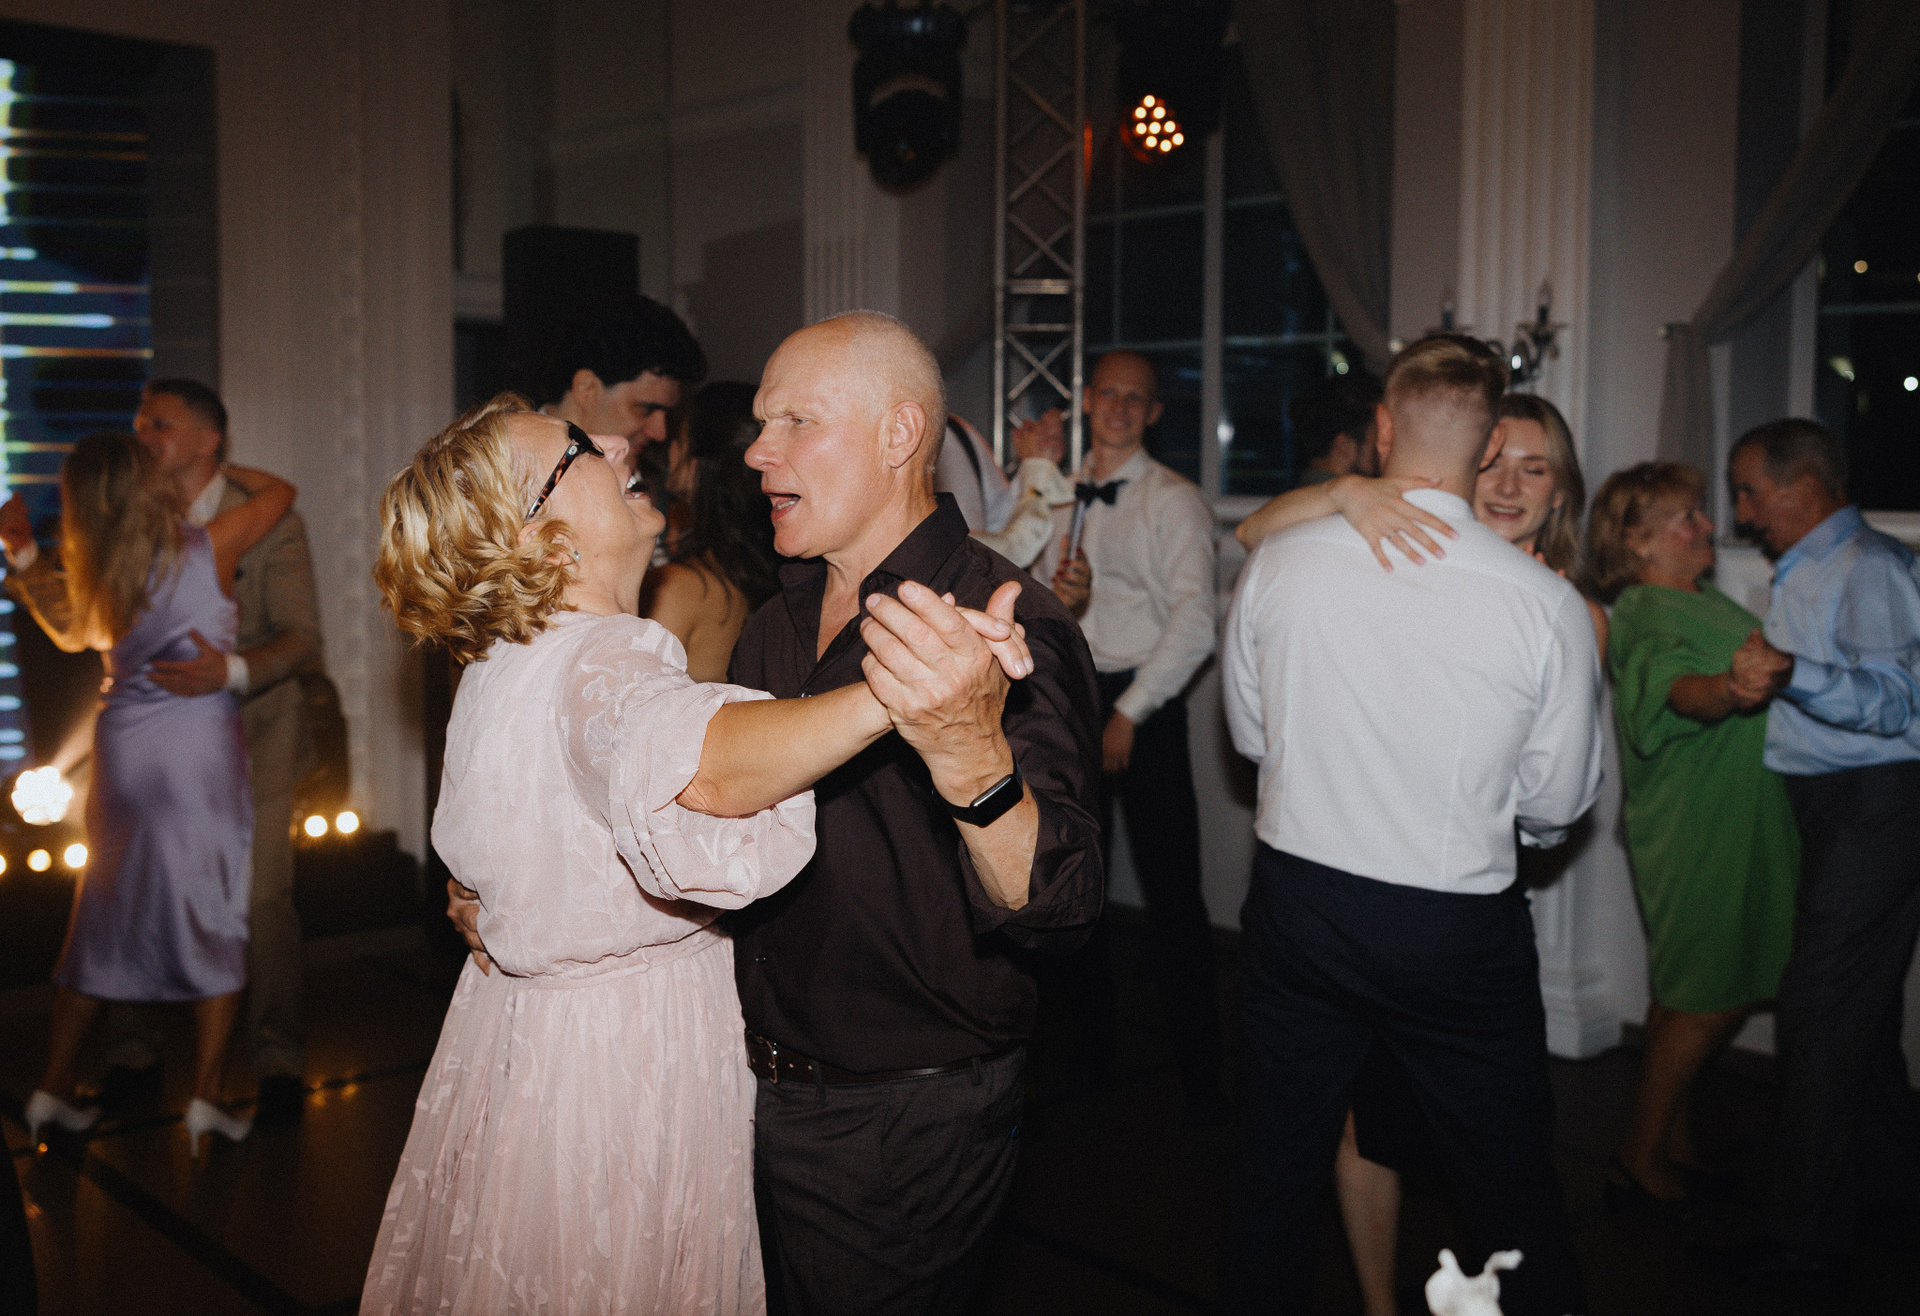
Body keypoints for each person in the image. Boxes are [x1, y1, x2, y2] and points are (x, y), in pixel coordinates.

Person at [364, 395, 1033, 1314]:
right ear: (546, 542)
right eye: (577, 448)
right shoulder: (602, 658)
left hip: (526, 1051)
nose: (614, 442)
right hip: (619, 1072)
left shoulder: (501, 661)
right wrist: (908, 688)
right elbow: (702, 770)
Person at [728, 312, 1104, 1313]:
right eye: (761, 423)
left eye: (796, 421)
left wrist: (971, 753)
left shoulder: (1006, 621)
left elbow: (1061, 906)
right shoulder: (774, 622)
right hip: (754, 1083)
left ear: (899, 435)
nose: (759, 450)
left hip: (904, 1116)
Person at [1221, 335, 1601, 1316]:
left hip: (1300, 905)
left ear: (1384, 428)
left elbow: (1253, 738)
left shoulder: (1280, 562)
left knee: (1273, 1165)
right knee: (1508, 1180)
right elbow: (1557, 805)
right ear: (1487, 445)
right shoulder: (1547, 605)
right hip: (1452, 926)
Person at [3, 432, 297, 1155]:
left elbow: (70, 634)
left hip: (123, 756)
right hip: (195, 751)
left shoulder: (98, 569)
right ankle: (207, 1096)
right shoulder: (205, 546)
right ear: (148, 484)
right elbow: (281, 494)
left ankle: (52, 1087)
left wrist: (23, 556)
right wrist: (221, 464)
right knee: (214, 906)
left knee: (101, 911)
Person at [1721, 419, 1920, 1285]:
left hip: (1877, 800)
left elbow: (1897, 701)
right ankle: (1891, 1192)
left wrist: (1792, 672)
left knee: (1817, 1011)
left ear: (1801, 487)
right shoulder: (1819, 565)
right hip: (1845, 802)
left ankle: (1802, 1239)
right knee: (1859, 1015)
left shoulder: (1867, 567)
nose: (1742, 512)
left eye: (1749, 492)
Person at [109, 378, 324, 1124]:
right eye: (141, 424)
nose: (144, 438)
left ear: (209, 440)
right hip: (155, 741)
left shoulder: (269, 518)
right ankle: (132, 1051)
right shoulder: (130, 516)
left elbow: (302, 637)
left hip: (256, 731)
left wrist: (227, 672)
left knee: (262, 898)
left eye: (160, 425)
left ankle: (277, 1060)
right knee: (137, 886)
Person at [1584, 461, 1798, 1208]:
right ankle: (1637, 1158)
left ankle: (1672, 1141)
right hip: (1696, 827)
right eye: (1688, 518)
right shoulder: (1646, 613)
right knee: (1708, 996)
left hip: (1732, 819)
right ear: (1636, 541)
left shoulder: (1698, 596)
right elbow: (1679, 692)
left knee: (1686, 991)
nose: (1709, 526)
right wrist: (1730, 690)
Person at [1027, 349, 1227, 1119]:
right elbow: (1024, 588)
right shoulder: (1051, 490)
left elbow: (1196, 621)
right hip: (1068, 693)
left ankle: (1204, 1074)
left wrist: (1129, 712)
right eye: (1107, 393)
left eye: (1134, 398)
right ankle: (1089, 1049)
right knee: (1076, 884)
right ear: (1086, 399)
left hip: (1143, 704)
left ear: (1154, 413)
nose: (1118, 407)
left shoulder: (1174, 499)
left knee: (1172, 892)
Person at [642, 381, 783, 681]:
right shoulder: (773, 573)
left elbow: (632, 698)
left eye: (679, 438)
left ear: (699, 461)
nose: (669, 447)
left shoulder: (675, 587)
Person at [533, 292, 706, 492]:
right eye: (646, 409)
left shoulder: (649, 485)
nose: (660, 433)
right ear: (586, 389)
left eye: (666, 413)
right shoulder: (510, 475)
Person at [1290, 370, 1382, 488]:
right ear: (1344, 445)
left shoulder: (1302, 492)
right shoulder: (1348, 498)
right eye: (1378, 437)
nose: (1385, 448)